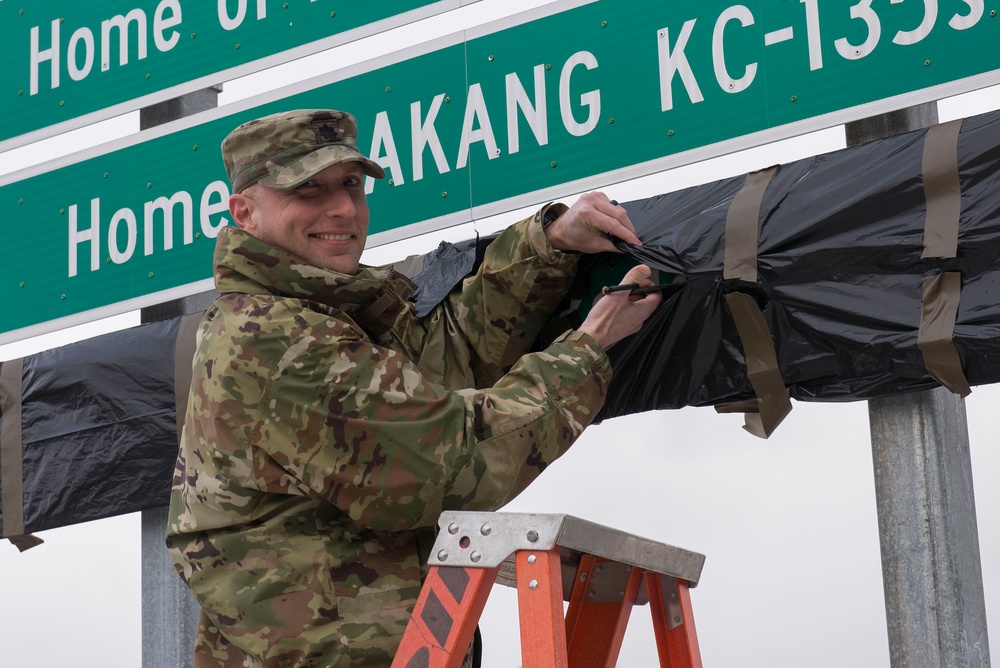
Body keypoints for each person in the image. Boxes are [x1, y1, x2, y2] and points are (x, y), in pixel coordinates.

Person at [165, 108, 662, 667]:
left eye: (351, 184)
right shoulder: (273, 339)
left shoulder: (331, 309)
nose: (344, 209)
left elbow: (443, 362)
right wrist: (587, 349)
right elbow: (448, 459)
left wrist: (549, 243)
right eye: (308, 190)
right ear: (245, 213)